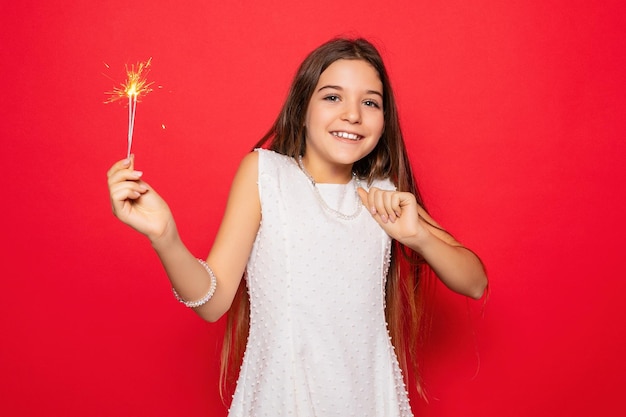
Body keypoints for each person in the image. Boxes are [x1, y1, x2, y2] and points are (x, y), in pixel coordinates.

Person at [107, 38, 488, 417]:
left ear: (384, 119)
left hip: (369, 398)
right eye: (333, 97)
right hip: (282, 396)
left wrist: (418, 236)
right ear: (302, 108)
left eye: (370, 102)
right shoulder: (265, 174)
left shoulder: (383, 193)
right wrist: (165, 237)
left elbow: (475, 282)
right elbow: (213, 303)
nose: (353, 114)